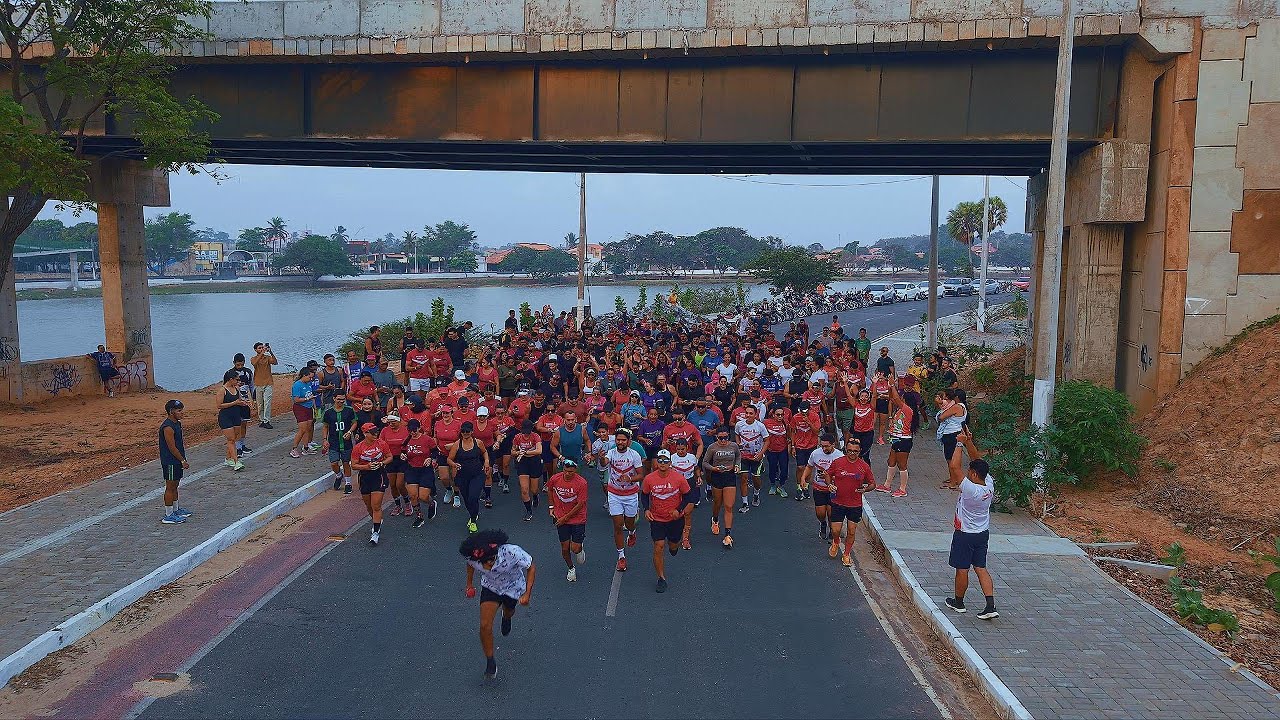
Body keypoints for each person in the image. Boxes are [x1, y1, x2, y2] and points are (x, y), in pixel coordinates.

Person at [460, 530, 535, 680]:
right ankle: (490, 661)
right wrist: (469, 584)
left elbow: (531, 567)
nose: (489, 566)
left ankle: (506, 617)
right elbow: (470, 565)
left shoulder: (512, 552)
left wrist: (527, 594)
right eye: (485, 563)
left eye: (492, 561)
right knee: (484, 625)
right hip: (491, 587)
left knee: (509, 612)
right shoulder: (475, 558)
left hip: (513, 588)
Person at [944, 436, 999, 620]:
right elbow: (978, 461)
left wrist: (959, 443)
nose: (967, 472)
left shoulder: (970, 490)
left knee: (962, 569)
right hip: (982, 534)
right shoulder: (989, 484)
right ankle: (990, 605)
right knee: (981, 568)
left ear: (974, 474)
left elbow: (954, 467)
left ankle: (958, 602)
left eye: (970, 471)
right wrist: (969, 442)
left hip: (965, 534)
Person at [641, 449, 692, 593]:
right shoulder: (649, 479)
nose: (662, 463)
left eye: (665, 461)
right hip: (657, 518)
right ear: (656, 462)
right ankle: (661, 578)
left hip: (675, 519)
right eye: (660, 460)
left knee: (673, 545)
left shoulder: (679, 478)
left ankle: (673, 547)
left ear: (670, 463)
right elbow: (644, 495)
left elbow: (688, 496)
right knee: (658, 545)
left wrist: (679, 509)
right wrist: (646, 509)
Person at [825, 437, 875, 567]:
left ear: (860, 452)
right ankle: (836, 541)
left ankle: (846, 554)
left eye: (855, 451)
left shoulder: (864, 466)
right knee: (835, 530)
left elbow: (872, 484)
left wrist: (865, 489)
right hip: (838, 502)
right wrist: (829, 484)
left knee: (852, 531)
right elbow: (827, 474)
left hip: (855, 504)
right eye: (849, 451)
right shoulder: (838, 462)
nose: (852, 453)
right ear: (846, 450)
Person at [605, 427, 645, 571]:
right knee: (617, 524)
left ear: (628, 441)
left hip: (630, 495)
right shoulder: (611, 452)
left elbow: (641, 475)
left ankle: (632, 533)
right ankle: (621, 557)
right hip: (614, 494)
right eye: (618, 440)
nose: (620, 442)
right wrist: (601, 457)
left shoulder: (634, 455)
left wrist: (630, 478)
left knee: (629, 523)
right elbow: (604, 462)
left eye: (623, 440)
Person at [546, 460, 588, 582]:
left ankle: (579, 548)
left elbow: (580, 504)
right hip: (560, 517)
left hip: (577, 518)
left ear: (575, 470)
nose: (567, 473)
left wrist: (565, 518)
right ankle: (571, 568)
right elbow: (550, 489)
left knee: (574, 548)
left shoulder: (582, 483)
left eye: (570, 471)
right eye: (565, 470)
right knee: (564, 548)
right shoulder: (555, 479)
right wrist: (551, 507)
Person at [352, 422, 391, 546]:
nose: (376, 434)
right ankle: (377, 521)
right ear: (365, 433)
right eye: (372, 432)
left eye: (376, 432)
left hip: (378, 475)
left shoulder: (382, 443)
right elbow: (353, 465)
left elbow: (389, 457)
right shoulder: (358, 447)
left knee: (376, 505)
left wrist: (382, 463)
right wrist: (367, 466)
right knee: (368, 505)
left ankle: (375, 532)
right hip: (365, 476)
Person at [701, 426, 740, 548]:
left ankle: (728, 534)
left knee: (728, 506)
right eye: (720, 438)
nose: (723, 440)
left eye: (726, 438)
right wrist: (714, 469)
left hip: (730, 476)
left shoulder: (733, 446)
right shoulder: (712, 447)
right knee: (717, 503)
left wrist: (737, 465)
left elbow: (738, 456)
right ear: (716, 437)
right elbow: (705, 462)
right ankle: (715, 519)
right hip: (717, 476)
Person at [448, 421, 490, 533]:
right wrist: (453, 464)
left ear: (472, 432)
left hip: (477, 474)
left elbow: (484, 452)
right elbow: (449, 459)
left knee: (473, 497)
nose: (465, 433)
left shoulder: (478, 442)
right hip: (462, 476)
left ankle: (473, 521)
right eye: (463, 431)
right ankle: (473, 514)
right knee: (466, 499)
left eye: (467, 431)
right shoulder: (457, 444)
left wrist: (486, 461)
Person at [880, 384, 918, 498]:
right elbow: (892, 398)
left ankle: (902, 488)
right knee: (891, 462)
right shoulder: (901, 410)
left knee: (902, 465)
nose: (900, 399)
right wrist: (890, 388)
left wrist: (892, 385)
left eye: (903, 398)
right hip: (895, 438)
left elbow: (895, 398)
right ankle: (887, 485)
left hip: (903, 439)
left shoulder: (908, 410)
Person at [158, 399, 191, 524]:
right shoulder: (168, 427)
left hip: (176, 460)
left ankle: (176, 509)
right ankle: (168, 514)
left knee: (176, 485)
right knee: (170, 487)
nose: (182, 413)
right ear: (171, 412)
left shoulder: (177, 424)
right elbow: (172, 447)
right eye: (179, 411)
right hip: (170, 461)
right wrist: (182, 460)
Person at [806, 434, 843, 541]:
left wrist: (829, 476)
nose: (824, 448)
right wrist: (803, 479)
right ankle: (823, 524)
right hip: (818, 488)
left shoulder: (840, 456)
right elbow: (809, 466)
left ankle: (832, 530)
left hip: (832, 489)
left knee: (831, 513)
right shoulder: (815, 453)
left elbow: (841, 475)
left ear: (833, 445)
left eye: (826, 446)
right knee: (820, 513)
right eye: (822, 446)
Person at [403, 418, 439, 527]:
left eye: (414, 430)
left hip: (425, 470)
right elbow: (403, 451)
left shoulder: (427, 439)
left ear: (419, 428)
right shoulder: (407, 440)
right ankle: (419, 517)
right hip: (411, 469)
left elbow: (435, 452)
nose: (412, 432)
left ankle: (431, 503)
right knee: (413, 495)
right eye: (410, 430)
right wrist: (403, 455)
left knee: (423, 496)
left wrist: (431, 459)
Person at [321, 392, 357, 494]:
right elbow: (325, 426)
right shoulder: (328, 413)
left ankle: (348, 483)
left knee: (346, 463)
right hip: (333, 441)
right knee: (334, 463)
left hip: (346, 442)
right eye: (339, 399)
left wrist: (350, 432)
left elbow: (354, 422)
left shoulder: (349, 410)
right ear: (334, 398)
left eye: (343, 399)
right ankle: (338, 475)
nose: (341, 401)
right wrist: (324, 439)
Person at [733, 405, 768, 512]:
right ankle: (745, 503)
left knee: (755, 478)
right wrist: (738, 443)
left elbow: (767, 440)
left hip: (756, 456)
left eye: (751, 413)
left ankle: (756, 493)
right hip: (743, 456)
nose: (748, 415)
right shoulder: (739, 424)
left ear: (755, 414)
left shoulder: (760, 426)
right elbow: (736, 435)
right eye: (746, 413)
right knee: (743, 478)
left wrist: (761, 453)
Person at [668, 437, 700, 550]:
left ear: (687, 448)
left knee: (687, 513)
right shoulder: (672, 458)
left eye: (682, 449)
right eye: (678, 449)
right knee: (675, 512)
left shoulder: (692, 457)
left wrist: (699, 477)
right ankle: (673, 535)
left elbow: (696, 469)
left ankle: (685, 538)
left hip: (690, 484)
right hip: (676, 487)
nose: (680, 451)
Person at [936, 388, 969, 490]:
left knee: (950, 459)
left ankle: (954, 482)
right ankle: (953, 478)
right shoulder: (962, 407)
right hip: (954, 433)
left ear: (957, 398)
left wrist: (939, 404)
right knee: (952, 459)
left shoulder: (957, 407)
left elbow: (941, 417)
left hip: (951, 434)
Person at [217, 369, 249, 471]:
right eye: (237, 379)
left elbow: (239, 400)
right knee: (231, 439)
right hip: (225, 417)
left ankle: (228, 458)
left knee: (235, 437)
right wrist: (234, 403)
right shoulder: (222, 390)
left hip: (236, 415)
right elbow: (219, 405)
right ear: (231, 379)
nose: (238, 381)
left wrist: (244, 403)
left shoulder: (236, 388)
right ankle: (236, 462)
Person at [512, 420, 543, 522]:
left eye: (528, 432)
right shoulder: (517, 437)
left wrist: (527, 452)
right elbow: (512, 451)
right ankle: (528, 510)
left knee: (534, 489)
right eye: (524, 432)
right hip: (523, 463)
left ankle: (535, 495)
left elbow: (539, 450)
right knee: (524, 489)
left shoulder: (535, 436)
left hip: (534, 461)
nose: (526, 434)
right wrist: (517, 452)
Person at [380, 413, 411, 516]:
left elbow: (411, 443)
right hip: (390, 459)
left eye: (393, 422)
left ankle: (407, 503)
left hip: (402, 459)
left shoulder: (405, 430)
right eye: (389, 422)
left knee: (400, 484)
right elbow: (381, 443)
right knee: (392, 485)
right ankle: (398, 505)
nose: (391, 424)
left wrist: (407, 454)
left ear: (399, 421)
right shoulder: (385, 430)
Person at [229, 354, 255, 457]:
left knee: (244, 424)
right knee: (237, 425)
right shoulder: (229, 373)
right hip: (235, 403)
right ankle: (238, 447)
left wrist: (252, 400)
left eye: (242, 364)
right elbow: (226, 387)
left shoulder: (248, 372)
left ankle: (242, 445)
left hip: (245, 403)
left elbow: (251, 386)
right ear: (234, 363)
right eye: (238, 364)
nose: (240, 366)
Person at [762, 405, 791, 498]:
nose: (780, 417)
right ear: (773, 414)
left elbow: (789, 437)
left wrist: (790, 448)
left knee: (784, 469)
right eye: (778, 415)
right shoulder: (766, 422)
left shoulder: (785, 423)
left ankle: (781, 486)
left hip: (783, 450)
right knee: (773, 468)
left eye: (782, 415)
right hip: (771, 450)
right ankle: (773, 485)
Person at [290, 367, 317, 458]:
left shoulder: (308, 383)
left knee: (308, 428)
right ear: (304, 375)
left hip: (309, 407)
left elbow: (311, 395)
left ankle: (305, 448)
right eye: (309, 377)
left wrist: (314, 407)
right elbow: (296, 399)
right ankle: (294, 449)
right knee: (302, 429)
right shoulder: (297, 385)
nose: (311, 379)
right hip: (300, 408)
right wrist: (307, 399)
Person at [251, 342, 278, 428]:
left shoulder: (267, 358)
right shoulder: (253, 358)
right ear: (255, 350)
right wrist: (262, 353)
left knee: (267, 402)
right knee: (260, 404)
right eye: (259, 348)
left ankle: (267, 421)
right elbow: (254, 363)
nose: (262, 349)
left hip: (268, 383)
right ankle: (262, 420)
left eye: (262, 347)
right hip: (258, 384)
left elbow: (275, 362)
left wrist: (271, 352)